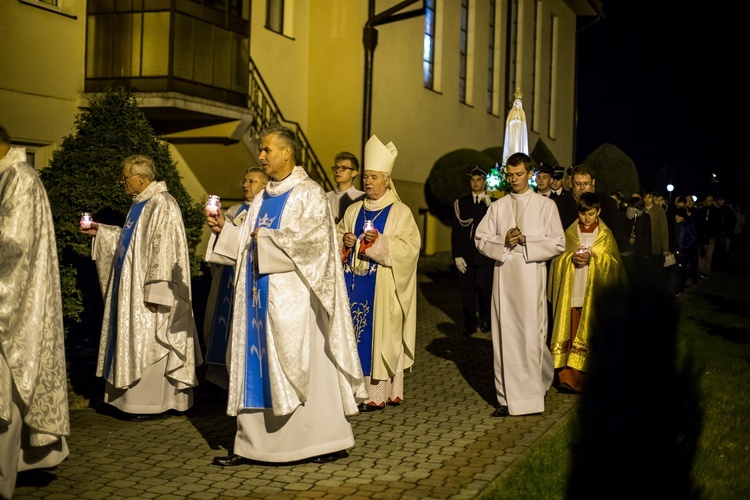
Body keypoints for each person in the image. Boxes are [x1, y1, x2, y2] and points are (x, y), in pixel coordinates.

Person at [205, 126, 366, 466]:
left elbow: (315, 245)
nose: (260, 156)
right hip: (255, 302)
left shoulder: (309, 194)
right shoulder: (263, 196)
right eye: (261, 150)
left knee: (307, 370)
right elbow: (250, 244)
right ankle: (251, 446)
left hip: (295, 304)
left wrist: (266, 239)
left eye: (266, 150)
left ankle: (321, 441)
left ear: (287, 154)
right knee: (254, 367)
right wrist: (227, 232)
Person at [80, 154, 202, 420]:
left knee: (151, 340)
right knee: (134, 341)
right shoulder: (140, 204)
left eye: (125, 177)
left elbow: (166, 249)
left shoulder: (162, 204)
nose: (121, 182)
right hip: (130, 292)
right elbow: (131, 245)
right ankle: (128, 401)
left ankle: (153, 404)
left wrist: (158, 292)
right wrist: (101, 232)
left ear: (142, 178)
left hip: (150, 292)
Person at [0, 126, 70, 500]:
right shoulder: (8, 176)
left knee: (7, 392)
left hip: (15, 305)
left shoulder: (20, 180)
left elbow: (14, 247)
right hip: (12, 302)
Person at [475, 152, 565, 417]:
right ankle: (506, 399)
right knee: (504, 336)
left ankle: (533, 393)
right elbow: (480, 239)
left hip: (530, 274)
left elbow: (558, 242)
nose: (514, 180)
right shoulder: (498, 207)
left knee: (531, 335)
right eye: (510, 175)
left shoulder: (545, 206)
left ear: (530, 174)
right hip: (504, 274)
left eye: (519, 174)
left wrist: (527, 241)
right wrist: (503, 241)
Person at [338, 135, 421, 412]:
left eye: (374, 177)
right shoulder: (352, 210)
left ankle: (379, 393)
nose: (368, 182)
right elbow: (337, 236)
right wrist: (346, 242)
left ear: (387, 180)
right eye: (366, 177)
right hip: (353, 287)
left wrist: (378, 243)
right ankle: (353, 392)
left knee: (381, 337)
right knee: (353, 337)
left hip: (384, 288)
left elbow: (410, 248)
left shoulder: (401, 212)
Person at [547, 192, 626, 394]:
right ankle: (568, 378)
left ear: (598, 211)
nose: (587, 218)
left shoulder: (605, 235)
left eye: (591, 213)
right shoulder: (571, 233)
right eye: (583, 214)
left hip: (594, 295)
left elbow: (614, 264)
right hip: (572, 293)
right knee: (571, 333)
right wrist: (570, 258)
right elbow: (557, 259)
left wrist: (594, 260)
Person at [202, 167, 269, 390]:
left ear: (265, 185)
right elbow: (221, 244)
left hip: (252, 280)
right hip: (227, 278)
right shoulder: (234, 210)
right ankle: (218, 378)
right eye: (245, 180)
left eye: (252, 181)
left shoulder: (266, 212)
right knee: (220, 324)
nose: (246, 185)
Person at [451, 166, 494, 336]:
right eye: (473, 180)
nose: (475, 183)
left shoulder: (493, 203)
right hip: (466, 256)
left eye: (479, 180)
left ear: (484, 182)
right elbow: (456, 230)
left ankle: (485, 319)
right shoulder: (461, 203)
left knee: (484, 289)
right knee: (467, 292)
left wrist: (491, 207)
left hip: (485, 256)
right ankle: (470, 323)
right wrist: (456, 255)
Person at [554, 165, 621, 245]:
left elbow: (618, 235)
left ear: (593, 182)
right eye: (578, 184)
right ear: (571, 183)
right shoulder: (559, 204)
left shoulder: (608, 203)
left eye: (586, 183)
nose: (582, 188)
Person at [618, 195, 653, 281]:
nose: (633, 210)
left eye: (636, 208)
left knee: (639, 276)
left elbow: (647, 235)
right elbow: (620, 231)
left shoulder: (645, 217)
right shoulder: (623, 216)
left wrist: (647, 253)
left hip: (640, 251)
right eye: (632, 207)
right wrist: (627, 239)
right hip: (625, 250)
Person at [326, 151, 365, 224]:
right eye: (336, 167)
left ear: (354, 173)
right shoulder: (325, 197)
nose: (338, 171)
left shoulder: (361, 198)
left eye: (343, 168)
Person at [672, 207, 697, 296]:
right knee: (677, 270)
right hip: (676, 251)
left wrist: (684, 247)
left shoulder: (687, 225)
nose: (676, 217)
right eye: (676, 215)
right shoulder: (676, 225)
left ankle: (678, 289)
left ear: (682, 217)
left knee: (680, 270)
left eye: (678, 216)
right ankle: (677, 288)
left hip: (683, 252)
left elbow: (693, 237)